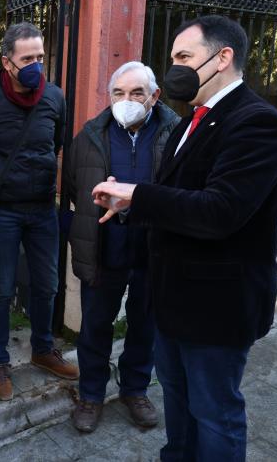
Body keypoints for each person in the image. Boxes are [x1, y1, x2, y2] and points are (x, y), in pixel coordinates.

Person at [91, 15, 277, 461]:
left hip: (218, 307)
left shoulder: (256, 122)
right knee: (178, 407)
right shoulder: (188, 125)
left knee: (215, 414)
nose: (175, 68)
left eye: (184, 57)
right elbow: (180, 200)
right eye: (173, 59)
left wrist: (139, 195)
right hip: (175, 302)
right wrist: (131, 205)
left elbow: (220, 211)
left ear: (223, 58)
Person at [0, 22, 77, 402]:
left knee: (47, 284)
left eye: (40, 57)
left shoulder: (54, 98)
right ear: (7, 62)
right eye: (28, 59)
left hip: (43, 210)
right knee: (2, 288)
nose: (36, 65)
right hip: (3, 213)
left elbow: (54, 143)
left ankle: (42, 350)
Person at [64, 61, 179, 433]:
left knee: (144, 326)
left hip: (154, 250)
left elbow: (187, 191)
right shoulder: (90, 135)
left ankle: (135, 390)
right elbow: (73, 187)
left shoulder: (175, 133)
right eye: (118, 93)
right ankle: (91, 395)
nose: (126, 100)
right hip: (104, 249)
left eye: (136, 93)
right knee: (95, 327)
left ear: (154, 96)